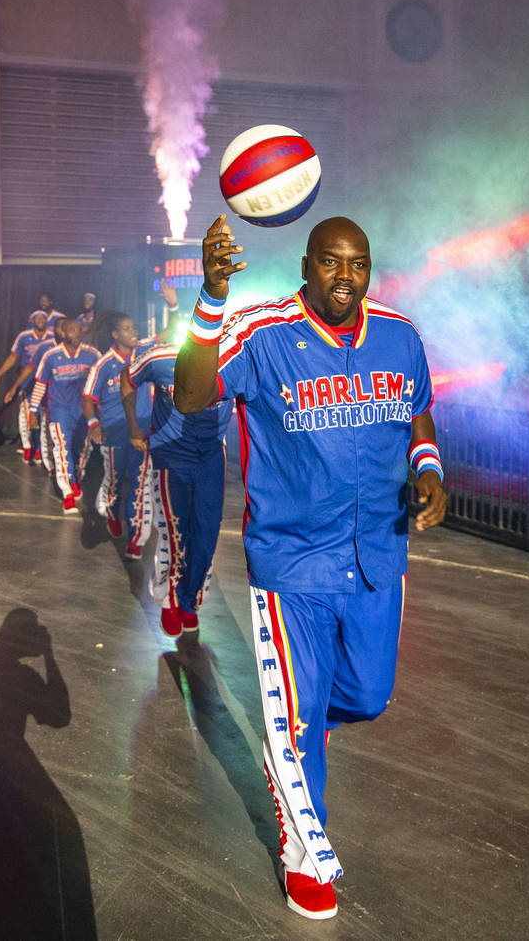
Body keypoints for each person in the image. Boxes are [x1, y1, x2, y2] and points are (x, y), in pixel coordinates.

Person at [173, 213, 448, 921]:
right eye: (330, 263)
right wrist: (208, 299)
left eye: (357, 264)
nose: (345, 278)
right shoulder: (263, 336)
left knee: (367, 694)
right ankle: (304, 857)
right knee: (293, 729)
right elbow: (190, 394)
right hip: (291, 560)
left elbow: (417, 413)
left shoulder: (399, 334)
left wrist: (428, 467)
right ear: (305, 264)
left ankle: (303, 715)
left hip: (378, 553)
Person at [121, 333, 233, 636]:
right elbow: (128, 377)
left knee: (207, 533)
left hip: (211, 456)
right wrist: (134, 427)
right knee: (175, 530)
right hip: (171, 453)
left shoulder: (230, 356)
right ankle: (171, 600)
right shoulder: (160, 358)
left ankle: (190, 599)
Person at [81, 284, 180, 558]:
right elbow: (88, 397)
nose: (134, 332)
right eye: (127, 329)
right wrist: (93, 424)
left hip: (143, 430)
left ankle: (136, 538)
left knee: (140, 483)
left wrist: (173, 305)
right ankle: (111, 511)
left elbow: (170, 332)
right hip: (114, 432)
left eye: (134, 328)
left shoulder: (145, 349)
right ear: (115, 334)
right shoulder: (103, 364)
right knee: (114, 482)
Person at [29, 319, 100, 513]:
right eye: (72, 331)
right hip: (60, 409)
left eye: (79, 331)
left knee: (82, 449)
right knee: (62, 448)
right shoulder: (51, 355)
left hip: (84, 410)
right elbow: (40, 384)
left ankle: (75, 477)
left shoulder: (92, 354)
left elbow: (101, 380)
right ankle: (67, 492)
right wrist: (32, 410)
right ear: (63, 333)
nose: (76, 335)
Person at [0, 310, 53, 463]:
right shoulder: (24, 336)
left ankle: (41, 449)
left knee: (43, 415)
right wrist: (0, 373)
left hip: (46, 381)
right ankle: (28, 446)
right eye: (37, 318)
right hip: (28, 381)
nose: (41, 320)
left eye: (43, 318)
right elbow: (13, 357)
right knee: (26, 413)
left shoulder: (52, 338)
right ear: (32, 320)